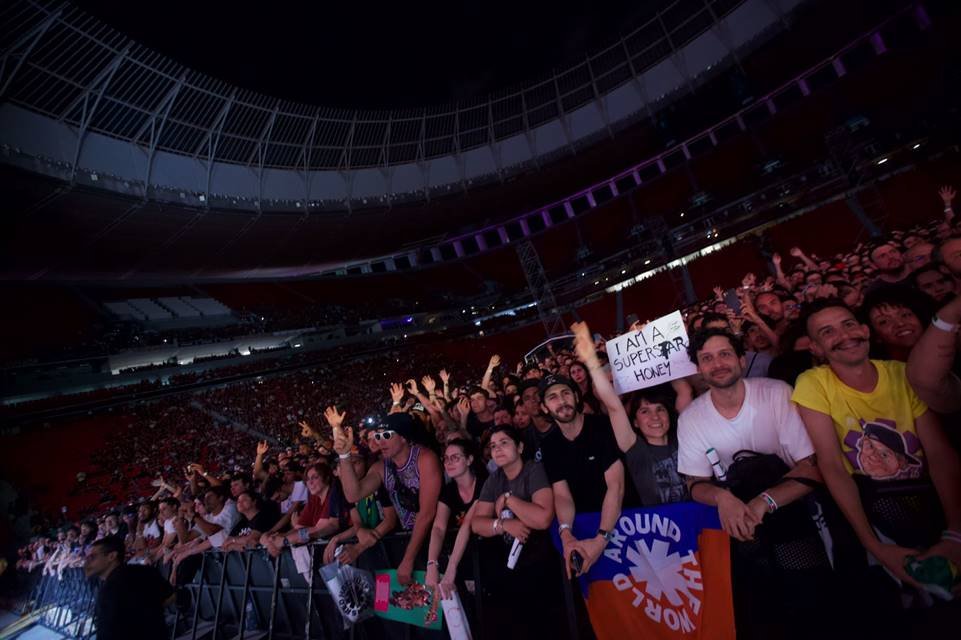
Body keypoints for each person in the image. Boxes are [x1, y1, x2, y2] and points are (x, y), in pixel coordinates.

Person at [793, 300, 961, 589]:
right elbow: (832, 465)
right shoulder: (812, 383)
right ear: (816, 348)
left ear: (865, 330)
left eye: (848, 325)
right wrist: (874, 545)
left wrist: (956, 532)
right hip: (875, 511)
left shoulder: (903, 373)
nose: (845, 336)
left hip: (933, 503)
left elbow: (939, 454)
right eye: (828, 332)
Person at [569, 321, 688, 506]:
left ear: (670, 414)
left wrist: (654, 348)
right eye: (644, 411)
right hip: (664, 531)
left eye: (660, 409)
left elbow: (684, 391)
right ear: (634, 422)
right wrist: (591, 361)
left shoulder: (684, 435)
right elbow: (614, 406)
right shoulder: (635, 450)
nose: (654, 417)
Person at [331, 406, 442, 585]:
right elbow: (353, 495)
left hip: (434, 542)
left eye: (387, 435)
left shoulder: (425, 458)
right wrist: (344, 456)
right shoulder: (382, 467)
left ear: (404, 437)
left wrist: (408, 559)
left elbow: (426, 514)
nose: (381, 441)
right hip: (405, 540)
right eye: (378, 436)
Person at [470, 426, 562, 640]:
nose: (497, 449)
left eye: (504, 443)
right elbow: (476, 523)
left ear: (520, 447)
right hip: (512, 565)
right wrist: (502, 525)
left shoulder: (534, 470)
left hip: (544, 562)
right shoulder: (494, 479)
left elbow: (543, 518)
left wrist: (509, 499)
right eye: (493, 446)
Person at [538, 363, 626, 578]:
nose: (561, 401)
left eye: (566, 393)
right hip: (585, 528)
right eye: (553, 397)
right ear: (544, 408)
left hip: (622, 524)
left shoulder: (602, 426)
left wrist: (601, 538)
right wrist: (566, 533)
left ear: (576, 397)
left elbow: (616, 486)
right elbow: (561, 494)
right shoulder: (549, 445)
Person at [425, 439, 484, 604]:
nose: (449, 462)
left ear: (469, 459)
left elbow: (467, 525)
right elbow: (438, 527)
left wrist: (451, 568)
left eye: (455, 457)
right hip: (462, 557)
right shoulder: (448, 490)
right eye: (446, 458)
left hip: (487, 555)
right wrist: (431, 564)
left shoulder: (485, 483)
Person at [84, 536, 174, 640]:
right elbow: (171, 596)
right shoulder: (145, 571)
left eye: (93, 557)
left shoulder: (108, 591)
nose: (87, 562)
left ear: (112, 556)